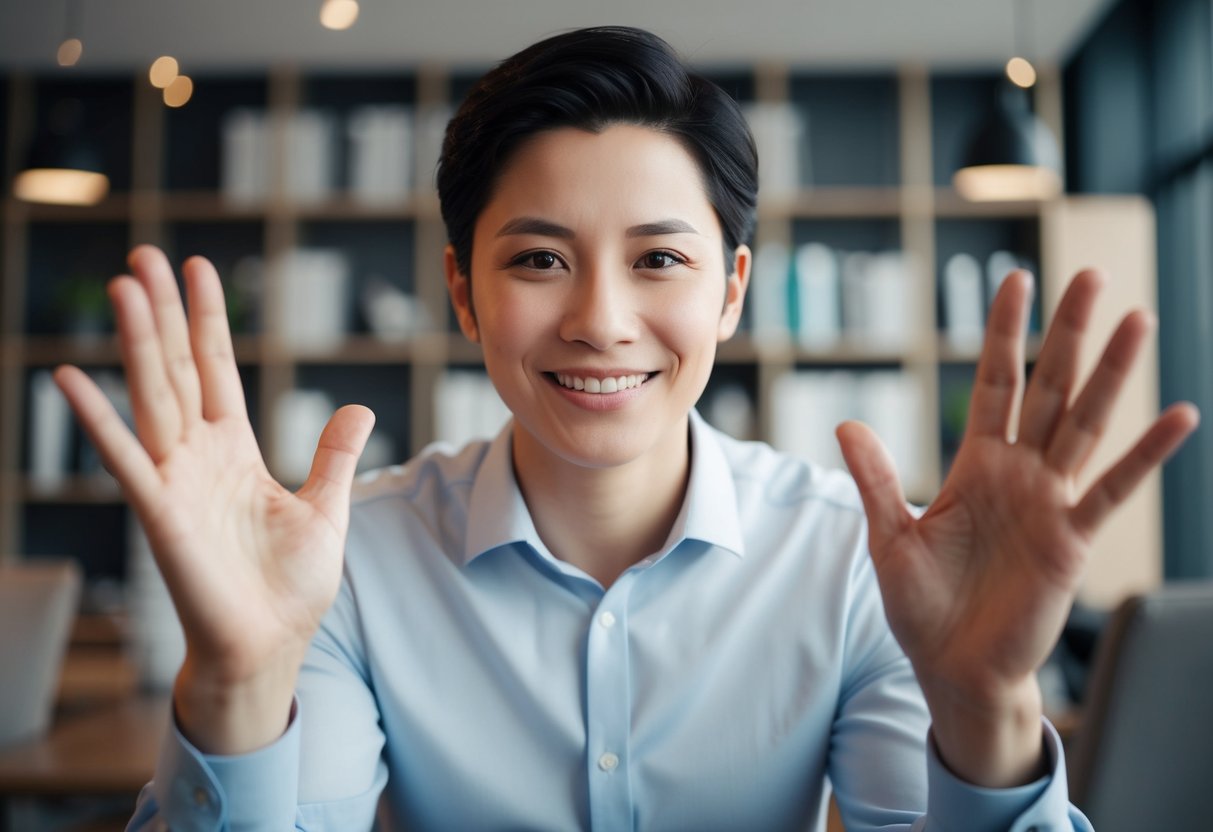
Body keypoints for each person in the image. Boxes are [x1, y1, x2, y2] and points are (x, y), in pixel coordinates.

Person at [54, 25, 1198, 832]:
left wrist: (984, 707)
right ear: (463, 291)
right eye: (539, 259)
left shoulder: (854, 559)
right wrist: (241, 681)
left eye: (658, 258)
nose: (601, 321)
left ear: (733, 289)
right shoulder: (352, 559)